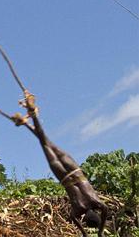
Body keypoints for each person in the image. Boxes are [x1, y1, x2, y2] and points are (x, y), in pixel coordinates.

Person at [18, 94, 107, 237]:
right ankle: (29, 119)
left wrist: (101, 230)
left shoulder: (97, 202)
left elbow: (105, 211)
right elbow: (74, 220)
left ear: (96, 213)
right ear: (85, 219)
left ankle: (31, 116)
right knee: (44, 144)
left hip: (76, 171)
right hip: (63, 176)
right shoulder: (77, 210)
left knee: (47, 140)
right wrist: (85, 234)